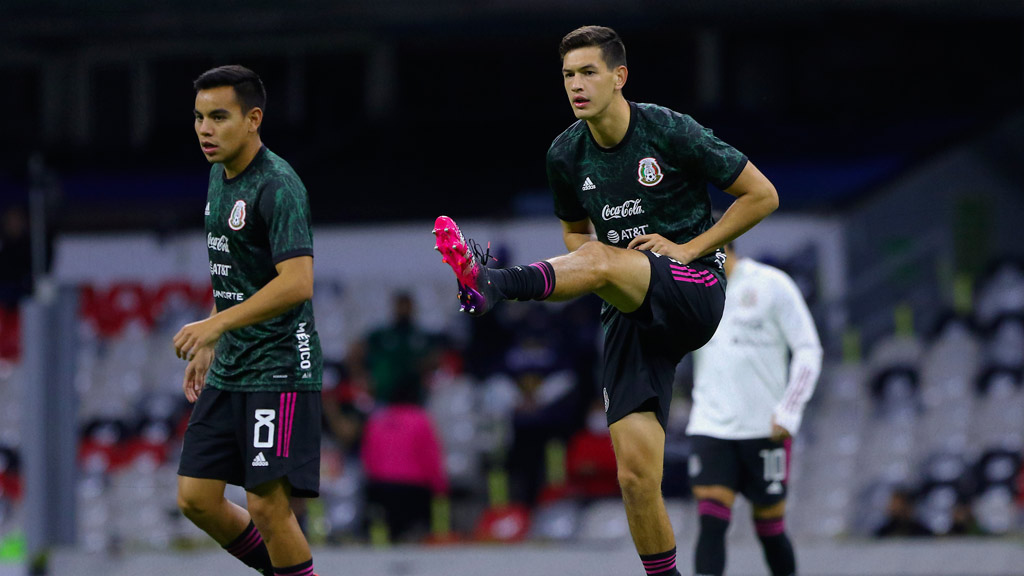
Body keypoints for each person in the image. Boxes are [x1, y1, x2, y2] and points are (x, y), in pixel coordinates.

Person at [433, 25, 778, 576]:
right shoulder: (565, 154)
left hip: (694, 291)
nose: (576, 85)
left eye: (589, 72)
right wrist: (605, 268)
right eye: (568, 75)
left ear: (619, 77)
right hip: (628, 307)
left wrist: (688, 249)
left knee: (597, 260)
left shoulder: (668, 130)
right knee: (636, 478)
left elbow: (763, 195)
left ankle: (490, 281)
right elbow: (576, 236)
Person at [173, 65, 322, 576]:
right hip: (233, 361)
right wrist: (217, 335)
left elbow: (296, 282)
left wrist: (214, 326)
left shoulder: (278, 186)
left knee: (265, 504)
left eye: (218, 116)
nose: (204, 129)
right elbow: (240, 271)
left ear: (253, 118)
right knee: (196, 498)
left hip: (279, 364)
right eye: (198, 117)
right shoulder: (219, 175)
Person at [686, 242, 822, 576]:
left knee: (770, 526)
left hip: (765, 427)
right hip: (711, 425)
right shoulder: (692, 289)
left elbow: (808, 349)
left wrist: (790, 409)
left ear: (723, 246)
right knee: (711, 520)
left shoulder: (771, 284)